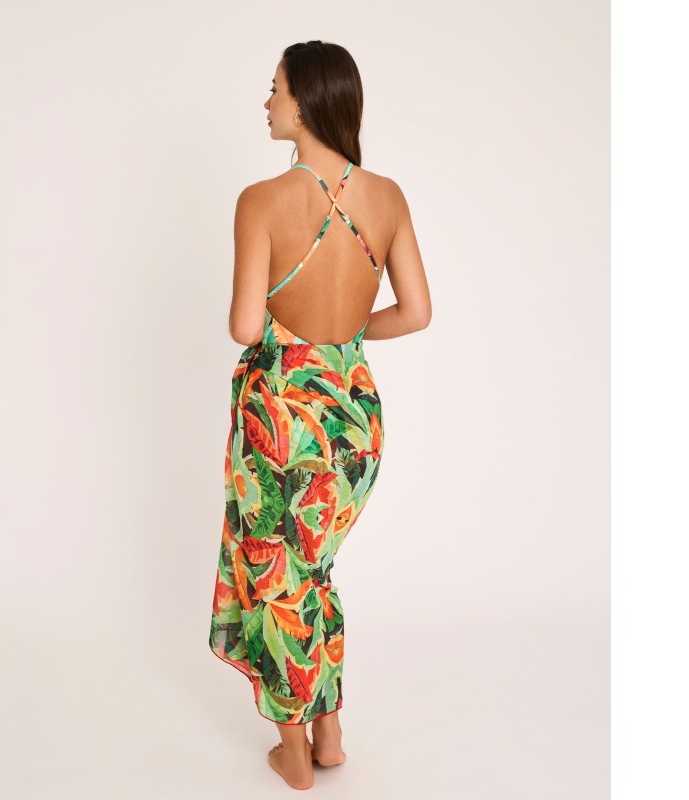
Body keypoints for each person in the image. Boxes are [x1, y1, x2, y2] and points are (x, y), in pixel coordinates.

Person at [208, 40, 432, 790]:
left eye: (274, 89)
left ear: (304, 101)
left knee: (277, 577)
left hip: (283, 413)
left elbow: (246, 326)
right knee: (313, 567)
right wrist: (346, 334)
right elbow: (417, 312)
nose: (266, 102)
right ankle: (329, 735)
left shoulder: (261, 201)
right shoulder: (388, 197)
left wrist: (295, 336)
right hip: (354, 418)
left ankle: (295, 753)